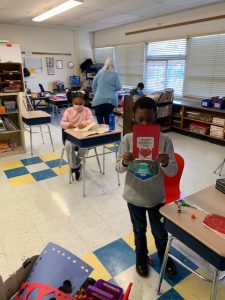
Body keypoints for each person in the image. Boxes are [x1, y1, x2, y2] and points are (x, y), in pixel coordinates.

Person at [116, 97, 178, 278]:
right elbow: (118, 168)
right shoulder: (128, 139)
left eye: (149, 120)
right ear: (134, 116)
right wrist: (125, 162)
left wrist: (166, 163)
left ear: (156, 116)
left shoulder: (165, 141)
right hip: (133, 197)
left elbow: (172, 172)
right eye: (140, 119)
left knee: (160, 232)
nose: (145, 123)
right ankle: (141, 258)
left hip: (156, 198)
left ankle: (165, 257)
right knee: (138, 230)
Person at [60, 92, 94, 180]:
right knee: (68, 146)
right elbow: (62, 123)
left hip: (84, 135)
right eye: (76, 104)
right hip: (71, 135)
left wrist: (84, 123)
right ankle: (76, 166)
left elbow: (91, 120)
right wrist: (68, 125)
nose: (78, 106)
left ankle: (75, 166)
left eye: (80, 104)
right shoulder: (68, 111)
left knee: (84, 147)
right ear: (72, 102)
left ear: (84, 103)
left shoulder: (87, 110)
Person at [92, 58, 122, 124]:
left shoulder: (100, 72)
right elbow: (119, 87)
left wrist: (96, 93)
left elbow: (93, 85)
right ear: (114, 65)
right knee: (108, 118)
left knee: (99, 117)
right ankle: (108, 132)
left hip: (98, 99)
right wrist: (112, 89)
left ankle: (102, 132)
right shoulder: (115, 74)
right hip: (111, 100)